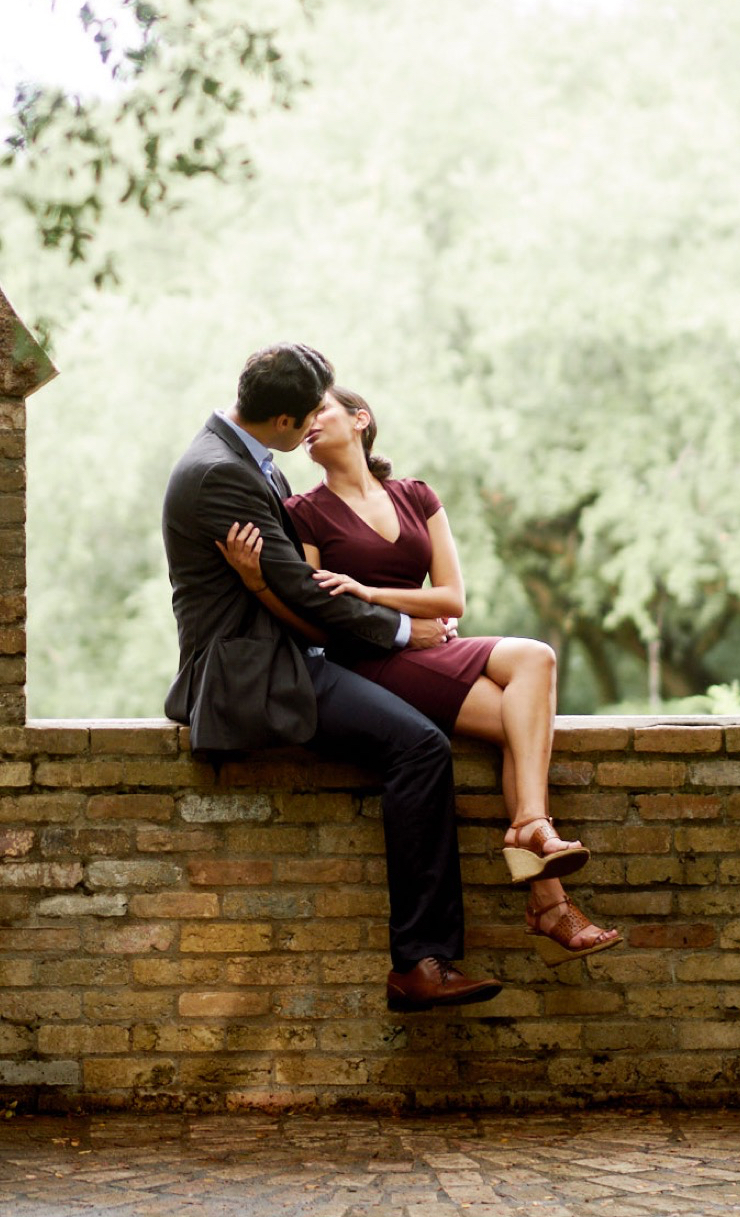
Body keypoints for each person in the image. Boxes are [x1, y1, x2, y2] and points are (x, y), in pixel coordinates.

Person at [161, 340, 502, 1011]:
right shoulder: (220, 472)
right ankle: (419, 963)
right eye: (310, 411)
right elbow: (305, 589)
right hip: (254, 670)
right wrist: (408, 630)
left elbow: (297, 586)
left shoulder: (244, 460)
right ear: (284, 421)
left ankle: (428, 956)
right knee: (419, 746)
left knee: (432, 723)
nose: (317, 423)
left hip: (296, 651)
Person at [222, 384, 620, 955]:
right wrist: (388, 608)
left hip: (431, 645)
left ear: (361, 419)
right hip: (371, 660)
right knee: (524, 715)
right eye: (304, 417)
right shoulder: (301, 512)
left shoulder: (416, 495)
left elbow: (452, 598)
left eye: (322, 410)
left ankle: (534, 836)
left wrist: (369, 590)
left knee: (535, 661)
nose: (310, 423)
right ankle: (546, 886)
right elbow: (318, 612)